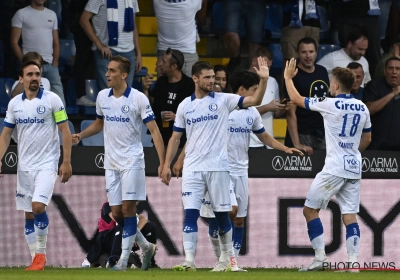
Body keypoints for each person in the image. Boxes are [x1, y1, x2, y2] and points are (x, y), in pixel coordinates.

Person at [173, 70, 303, 270]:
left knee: (239, 219)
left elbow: (264, 137)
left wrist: (284, 147)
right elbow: (193, 138)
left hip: (241, 170)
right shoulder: (221, 109)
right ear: (242, 90)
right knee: (227, 211)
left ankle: (231, 262)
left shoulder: (251, 114)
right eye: (251, 90)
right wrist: (180, 160)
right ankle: (223, 259)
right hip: (220, 169)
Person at [160, 58, 269, 272]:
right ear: (195, 78)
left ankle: (228, 262)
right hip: (192, 168)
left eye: (213, 77)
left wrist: (263, 80)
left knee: (221, 215)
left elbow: (254, 100)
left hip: (219, 168)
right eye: (207, 77)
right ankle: (189, 261)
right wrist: (166, 164)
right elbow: (175, 138)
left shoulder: (224, 100)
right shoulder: (185, 105)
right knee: (190, 214)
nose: (212, 81)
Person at [71, 56, 164, 271]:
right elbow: (99, 123)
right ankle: (145, 246)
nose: (107, 74)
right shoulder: (103, 97)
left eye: (112, 71)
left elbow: (155, 131)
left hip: (132, 161)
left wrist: (163, 163)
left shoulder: (139, 99)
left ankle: (122, 261)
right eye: (107, 71)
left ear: (124, 75)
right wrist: (82, 135)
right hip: (111, 162)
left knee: (129, 209)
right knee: (117, 212)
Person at [284, 58, 372, 272]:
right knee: (349, 215)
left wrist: (287, 78)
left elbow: (295, 99)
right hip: (353, 166)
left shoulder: (330, 104)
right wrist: (351, 153)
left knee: (309, 210)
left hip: (334, 167)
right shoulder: (362, 107)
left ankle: (320, 258)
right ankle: (352, 264)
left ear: (335, 85)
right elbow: (368, 139)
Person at [0, 60, 72, 270]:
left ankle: (40, 255)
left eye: (37, 74)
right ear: (21, 79)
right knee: (29, 213)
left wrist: (66, 161)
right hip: (24, 166)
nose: (34, 78)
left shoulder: (53, 100)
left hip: (47, 164)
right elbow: (5, 135)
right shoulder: (15, 105)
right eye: (30, 75)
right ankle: (35, 259)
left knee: (38, 206)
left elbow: (65, 131)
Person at [11, 0, 66, 105]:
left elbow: (56, 42)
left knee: (60, 102)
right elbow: (14, 42)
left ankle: (60, 122)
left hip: (50, 66)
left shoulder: (52, 14)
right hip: (30, 65)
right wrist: (25, 63)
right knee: (27, 101)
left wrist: (55, 63)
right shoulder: (21, 13)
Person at [80, 0, 142, 91]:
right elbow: (83, 20)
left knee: (125, 95)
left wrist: (138, 53)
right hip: (106, 53)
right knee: (107, 95)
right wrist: (99, 44)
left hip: (128, 52)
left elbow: (133, 25)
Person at [283, 37, 329, 155]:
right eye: (304, 52)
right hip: (302, 134)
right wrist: (297, 143)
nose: (308, 56)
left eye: (311, 52)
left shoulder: (322, 71)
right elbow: (290, 113)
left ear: (316, 52)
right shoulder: (292, 75)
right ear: (298, 53)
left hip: (322, 133)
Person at [143, 48, 195, 147]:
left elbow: (197, 113)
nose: (159, 64)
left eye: (163, 61)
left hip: (181, 140)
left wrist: (177, 117)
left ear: (174, 66)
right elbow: (150, 107)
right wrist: (145, 89)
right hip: (160, 137)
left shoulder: (189, 85)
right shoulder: (161, 82)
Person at [82, 202, 158, 269]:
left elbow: (143, 219)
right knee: (123, 226)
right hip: (106, 239)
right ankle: (114, 260)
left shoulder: (127, 207)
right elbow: (118, 219)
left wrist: (135, 232)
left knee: (150, 227)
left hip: (124, 236)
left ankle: (151, 262)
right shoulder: (108, 205)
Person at [247, 47, 289, 149]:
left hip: (268, 142)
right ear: (254, 61)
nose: (267, 70)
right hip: (249, 142)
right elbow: (241, 112)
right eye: (264, 66)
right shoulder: (242, 80)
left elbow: (276, 114)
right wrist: (267, 107)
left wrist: (284, 107)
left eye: (269, 67)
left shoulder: (272, 81)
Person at [153, 0, 205, 77]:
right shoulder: (193, 3)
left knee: (164, 88)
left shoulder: (157, 2)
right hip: (187, 53)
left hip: (165, 54)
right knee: (189, 88)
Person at [363, 56, 400, 150]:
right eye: (390, 68)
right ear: (385, 71)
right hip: (376, 148)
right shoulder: (374, 85)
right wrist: (393, 93)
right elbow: (369, 110)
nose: (394, 72)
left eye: (398, 69)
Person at [65, 0, 96, 106]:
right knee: (82, 60)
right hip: (82, 27)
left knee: (96, 62)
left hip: (99, 28)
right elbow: (73, 9)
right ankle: (81, 96)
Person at [223, 0, 267, 73]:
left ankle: (252, 74)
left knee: (255, 41)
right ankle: (235, 59)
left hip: (257, 2)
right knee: (230, 33)